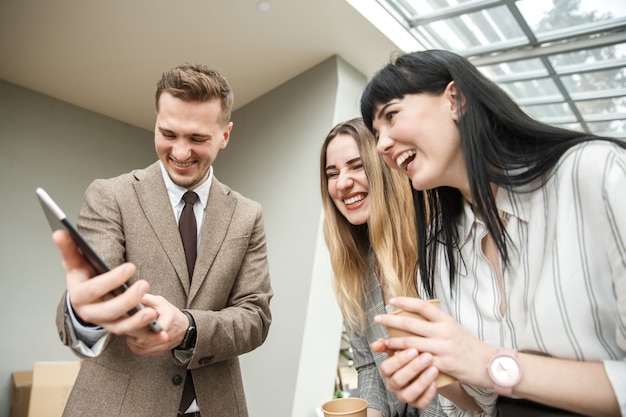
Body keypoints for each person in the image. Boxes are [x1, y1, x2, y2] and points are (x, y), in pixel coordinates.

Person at [359, 49, 626, 417]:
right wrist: (437, 369)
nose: (381, 146)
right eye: (376, 133)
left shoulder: (593, 173)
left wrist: (488, 362)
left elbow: (487, 366)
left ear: (456, 99)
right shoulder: (440, 253)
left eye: (391, 116)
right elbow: (484, 406)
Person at [52, 63, 273, 417]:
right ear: (155, 121)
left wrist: (189, 327)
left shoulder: (248, 215)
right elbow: (99, 289)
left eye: (198, 138)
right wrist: (84, 312)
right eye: (168, 134)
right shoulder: (110, 196)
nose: (181, 153)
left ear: (225, 134)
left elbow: (255, 318)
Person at [320, 117, 445, 417]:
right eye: (332, 173)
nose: (342, 183)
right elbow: (367, 366)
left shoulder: (439, 243)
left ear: (386, 169)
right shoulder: (356, 264)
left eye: (356, 165)